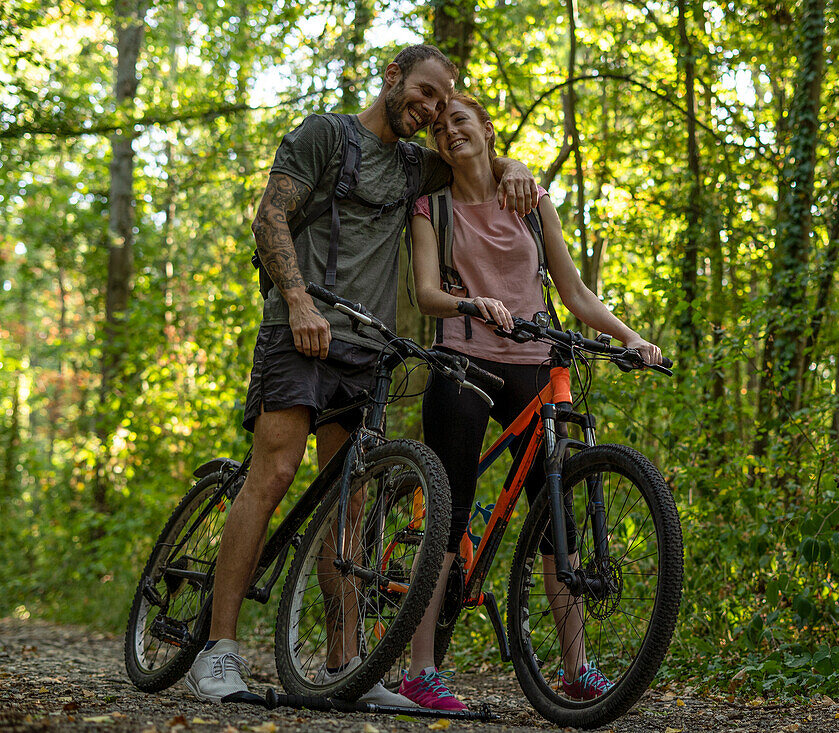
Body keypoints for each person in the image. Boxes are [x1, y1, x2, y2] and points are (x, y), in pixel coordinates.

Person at [184, 46, 539, 704]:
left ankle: (343, 665)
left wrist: (514, 163)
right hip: (300, 334)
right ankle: (218, 650)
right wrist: (297, 304)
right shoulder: (325, 135)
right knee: (276, 474)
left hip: (366, 351)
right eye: (425, 92)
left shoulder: (414, 167)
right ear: (392, 77)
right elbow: (269, 219)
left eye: (441, 101)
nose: (432, 109)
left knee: (350, 507)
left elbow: (474, 159)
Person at [403, 93, 662, 710]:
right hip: (463, 358)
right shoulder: (430, 206)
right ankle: (419, 671)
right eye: (440, 128)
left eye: (460, 121)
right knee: (451, 510)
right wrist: (470, 304)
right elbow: (424, 294)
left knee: (558, 515)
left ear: (488, 131)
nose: (449, 132)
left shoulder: (529, 196)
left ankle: (576, 669)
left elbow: (573, 291)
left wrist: (628, 337)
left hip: (534, 359)